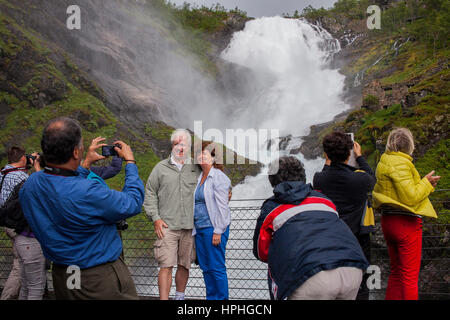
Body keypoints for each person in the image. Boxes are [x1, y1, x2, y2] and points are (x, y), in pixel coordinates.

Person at [19, 117, 145, 300]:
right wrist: (130, 162)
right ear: (76, 152)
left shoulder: (30, 185)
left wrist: (85, 164)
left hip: (66, 273)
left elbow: (60, 180)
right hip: (96, 277)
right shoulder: (87, 192)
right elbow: (132, 203)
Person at [253, 156, 369, 300]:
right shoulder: (325, 200)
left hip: (310, 274)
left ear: (273, 182)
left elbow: (261, 252)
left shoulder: (272, 207)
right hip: (352, 267)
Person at [372, 127, 440, 300]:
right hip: (406, 223)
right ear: (409, 145)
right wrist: (426, 183)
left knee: (396, 273)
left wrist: (425, 184)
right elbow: (411, 197)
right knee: (410, 278)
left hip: (388, 221)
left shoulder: (384, 161)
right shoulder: (402, 163)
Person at [313, 131, 376, 300]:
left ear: (326, 154)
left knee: (334, 280)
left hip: (331, 239)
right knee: (362, 281)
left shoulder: (319, 179)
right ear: (349, 153)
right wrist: (360, 157)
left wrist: (328, 163)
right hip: (357, 238)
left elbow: (324, 175)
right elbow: (372, 178)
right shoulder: (360, 180)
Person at [143, 129, 201, 300]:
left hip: (190, 226)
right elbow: (150, 192)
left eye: (183, 144)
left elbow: (211, 183)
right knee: (165, 265)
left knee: (185, 265)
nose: (180, 147)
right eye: (176, 144)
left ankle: (180, 297)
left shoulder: (196, 168)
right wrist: (156, 218)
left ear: (189, 146)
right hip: (167, 225)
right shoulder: (160, 168)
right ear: (172, 146)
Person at [0, 146, 44, 300]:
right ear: (23, 159)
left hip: (7, 222)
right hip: (19, 227)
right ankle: (6, 297)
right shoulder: (22, 177)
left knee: (23, 270)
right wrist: (36, 166)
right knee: (21, 269)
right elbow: (40, 187)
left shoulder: (3, 172)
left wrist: (27, 164)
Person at [193, 141, 231, 300]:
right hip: (200, 229)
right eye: (199, 154)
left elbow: (223, 208)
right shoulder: (199, 177)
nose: (201, 156)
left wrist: (218, 231)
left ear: (214, 158)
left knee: (216, 267)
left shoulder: (219, 177)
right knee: (206, 268)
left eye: (205, 153)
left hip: (213, 228)